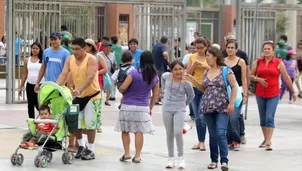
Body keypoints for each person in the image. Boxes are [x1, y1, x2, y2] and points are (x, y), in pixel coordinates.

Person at [185, 46, 237, 171]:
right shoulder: (206, 72)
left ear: (215, 57)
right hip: (208, 106)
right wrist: (194, 81)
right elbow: (204, 88)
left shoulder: (226, 71)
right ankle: (214, 160)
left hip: (222, 106)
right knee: (213, 135)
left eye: (208, 55)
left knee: (220, 133)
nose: (206, 58)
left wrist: (232, 103)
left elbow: (234, 87)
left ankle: (224, 161)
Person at [56, 38, 102, 160]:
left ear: (84, 49)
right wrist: (55, 87)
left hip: (93, 96)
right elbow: (63, 74)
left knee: (90, 124)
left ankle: (91, 149)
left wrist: (80, 89)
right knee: (74, 121)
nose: (74, 52)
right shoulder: (70, 59)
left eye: (77, 49)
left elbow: (91, 77)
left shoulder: (91, 59)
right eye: (73, 49)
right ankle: (81, 145)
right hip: (78, 96)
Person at [249, 41, 296, 151]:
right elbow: (250, 75)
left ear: (273, 51)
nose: (266, 50)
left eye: (268, 49)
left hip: (273, 94)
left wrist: (292, 91)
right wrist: (258, 79)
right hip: (260, 93)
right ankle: (266, 139)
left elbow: (286, 77)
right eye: (265, 49)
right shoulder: (258, 61)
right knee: (263, 119)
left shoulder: (278, 62)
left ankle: (269, 142)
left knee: (269, 117)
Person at [114, 51, 159, 163]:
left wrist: (120, 89)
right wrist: (150, 107)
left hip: (128, 105)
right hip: (143, 107)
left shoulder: (134, 73)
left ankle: (127, 153)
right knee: (139, 132)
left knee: (125, 130)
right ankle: (137, 156)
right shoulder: (154, 76)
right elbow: (156, 95)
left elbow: (123, 88)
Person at [161, 60, 194, 169]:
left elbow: (191, 95)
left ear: (183, 69)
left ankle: (181, 158)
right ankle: (171, 158)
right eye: (175, 69)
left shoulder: (186, 83)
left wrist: (184, 104)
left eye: (180, 69)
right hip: (166, 108)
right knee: (169, 134)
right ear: (171, 70)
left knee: (177, 132)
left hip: (179, 109)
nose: (178, 71)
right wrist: (162, 91)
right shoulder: (167, 76)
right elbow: (162, 77)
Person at [222, 32, 249, 144]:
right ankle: (229, 140)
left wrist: (246, 94)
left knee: (234, 117)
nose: (230, 49)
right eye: (228, 47)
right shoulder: (222, 61)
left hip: (238, 92)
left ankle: (237, 139)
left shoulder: (241, 61)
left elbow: (244, 78)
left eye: (232, 48)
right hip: (225, 92)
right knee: (227, 118)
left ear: (236, 49)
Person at [186, 37, 209, 151]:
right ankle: (201, 141)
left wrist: (204, 65)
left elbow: (215, 69)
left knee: (201, 116)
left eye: (201, 48)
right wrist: (194, 65)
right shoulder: (192, 57)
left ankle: (202, 142)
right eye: (197, 48)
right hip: (194, 88)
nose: (199, 50)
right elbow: (187, 73)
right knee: (197, 117)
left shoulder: (209, 56)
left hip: (206, 88)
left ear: (206, 47)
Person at [19, 42, 44, 119]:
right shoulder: (27, 60)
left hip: (40, 85)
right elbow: (24, 74)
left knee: (39, 104)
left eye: (37, 48)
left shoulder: (42, 60)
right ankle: (31, 123)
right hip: (30, 85)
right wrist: (21, 86)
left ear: (40, 50)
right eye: (33, 48)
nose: (35, 50)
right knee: (30, 104)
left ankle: (42, 121)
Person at [152, 36, 170, 105]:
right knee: (159, 84)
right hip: (160, 67)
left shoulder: (155, 46)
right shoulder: (163, 46)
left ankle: (155, 97)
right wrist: (167, 59)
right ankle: (157, 99)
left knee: (154, 83)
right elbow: (165, 53)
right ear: (166, 42)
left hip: (154, 67)